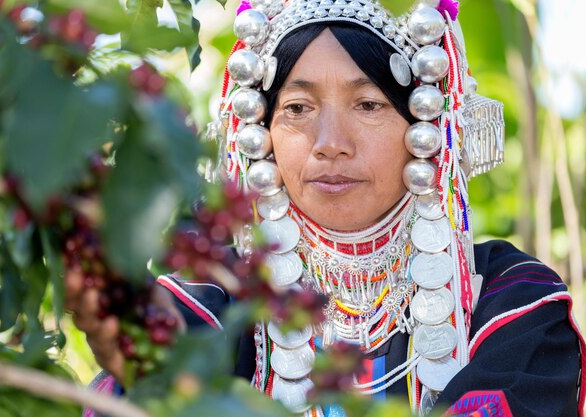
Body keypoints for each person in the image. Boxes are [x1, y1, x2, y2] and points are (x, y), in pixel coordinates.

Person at [69, 0, 586, 416]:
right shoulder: (214, 299)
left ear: (425, 133)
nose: (330, 143)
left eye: (368, 105)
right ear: (261, 135)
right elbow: (161, 363)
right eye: (297, 109)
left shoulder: (511, 298)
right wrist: (152, 364)